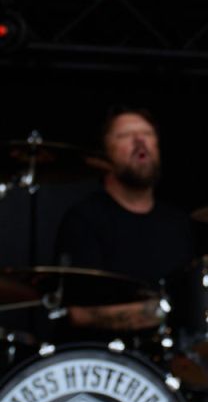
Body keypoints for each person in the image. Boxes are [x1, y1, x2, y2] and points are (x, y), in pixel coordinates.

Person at [55, 108, 195, 336]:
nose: (140, 141)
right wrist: (162, 312)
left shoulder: (178, 223)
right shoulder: (84, 219)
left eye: (147, 134)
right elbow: (78, 314)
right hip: (107, 354)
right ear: (104, 155)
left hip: (171, 354)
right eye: (125, 135)